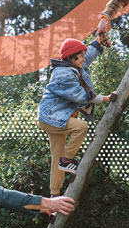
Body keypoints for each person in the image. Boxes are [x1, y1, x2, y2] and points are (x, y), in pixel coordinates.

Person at [38, 38, 111, 197]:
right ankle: (68, 160)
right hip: (52, 118)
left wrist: (98, 42)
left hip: (55, 118)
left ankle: (54, 196)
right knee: (81, 127)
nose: (84, 58)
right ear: (71, 58)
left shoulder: (75, 66)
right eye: (80, 56)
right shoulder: (64, 74)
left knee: (56, 158)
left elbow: (89, 55)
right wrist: (105, 98)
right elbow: (81, 97)